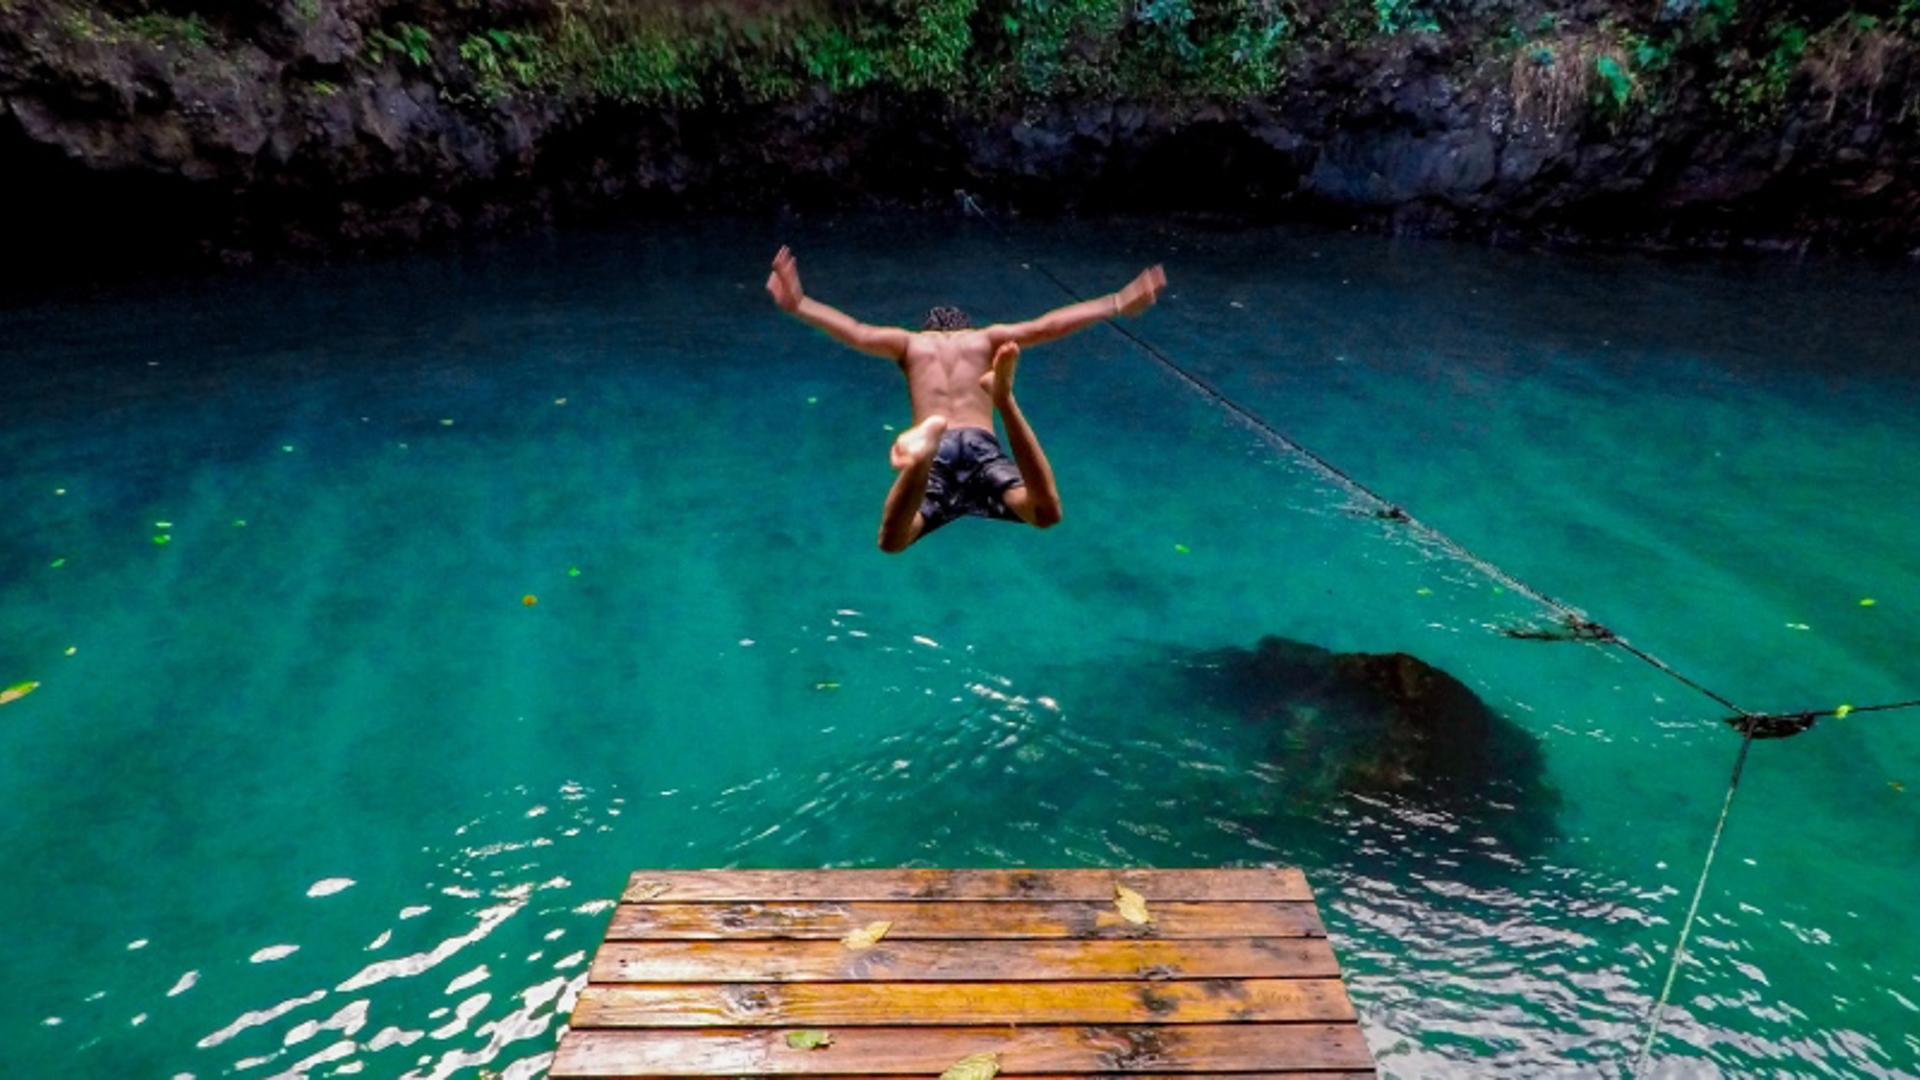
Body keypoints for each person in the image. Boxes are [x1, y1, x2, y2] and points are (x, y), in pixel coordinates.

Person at [766, 245, 1166, 552]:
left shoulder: (910, 344)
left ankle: (921, 456)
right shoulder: (985, 339)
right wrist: (1115, 302)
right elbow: (1046, 326)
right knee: (1045, 514)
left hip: (939, 449)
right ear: (964, 327)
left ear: (927, 328)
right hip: (980, 447)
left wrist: (800, 304)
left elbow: (855, 331)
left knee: (893, 540)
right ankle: (1003, 398)